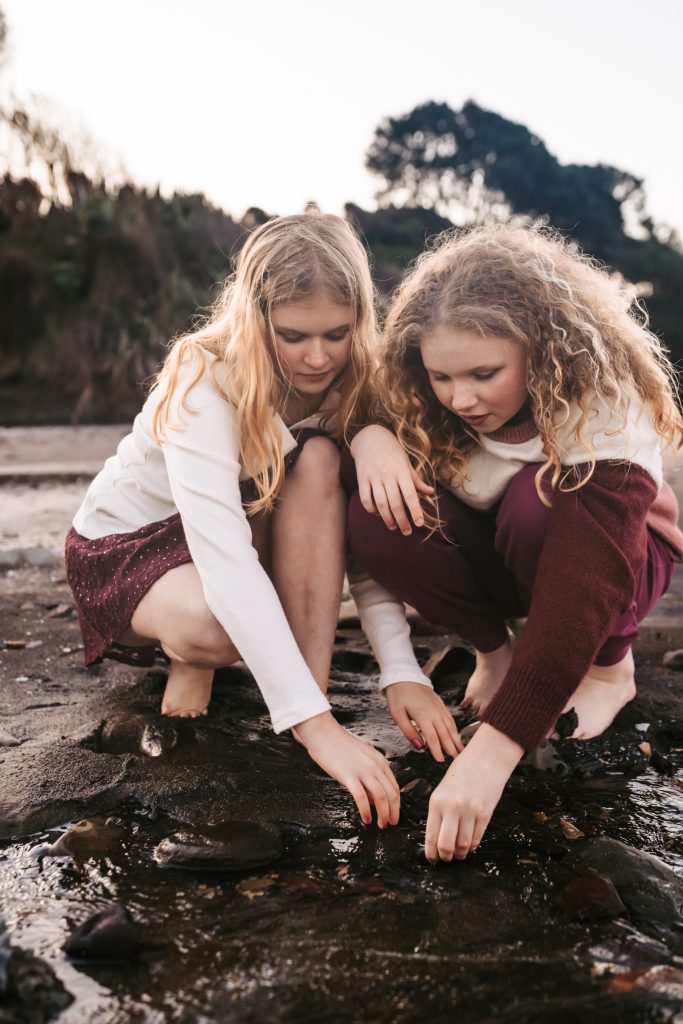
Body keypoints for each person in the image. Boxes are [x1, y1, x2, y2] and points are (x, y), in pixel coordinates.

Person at [347, 222, 683, 859]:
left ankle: (611, 668)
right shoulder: (425, 395)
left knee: (538, 501)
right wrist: (371, 441)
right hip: (508, 556)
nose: (462, 399)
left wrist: (493, 752)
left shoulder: (601, 401)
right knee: (374, 513)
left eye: (484, 373)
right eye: (443, 377)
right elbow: (362, 452)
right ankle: (495, 650)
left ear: (541, 348)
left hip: (619, 566)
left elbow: (588, 578)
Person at [64, 211, 401, 828]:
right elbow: (220, 551)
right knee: (215, 629)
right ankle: (204, 665)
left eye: (336, 333)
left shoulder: (351, 380)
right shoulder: (205, 371)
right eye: (293, 335)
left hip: (241, 527)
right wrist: (325, 732)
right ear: (254, 316)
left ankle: (306, 692)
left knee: (321, 457)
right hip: (132, 544)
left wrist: (373, 431)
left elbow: (352, 538)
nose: (318, 356)